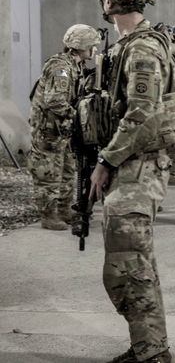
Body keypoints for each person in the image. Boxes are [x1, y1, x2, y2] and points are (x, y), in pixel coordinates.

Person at [86, 0, 175, 363]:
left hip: (136, 166)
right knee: (137, 264)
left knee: (126, 269)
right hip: (134, 165)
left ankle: (152, 354)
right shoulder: (133, 43)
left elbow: (142, 111)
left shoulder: (141, 47)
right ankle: (150, 347)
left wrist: (106, 161)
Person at [28, 24, 100, 230]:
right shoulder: (61, 68)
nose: (94, 49)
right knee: (48, 173)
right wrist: (78, 116)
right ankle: (48, 215)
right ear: (81, 46)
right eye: (92, 45)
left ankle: (64, 210)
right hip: (49, 131)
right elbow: (55, 101)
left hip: (62, 130)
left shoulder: (75, 66)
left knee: (68, 170)